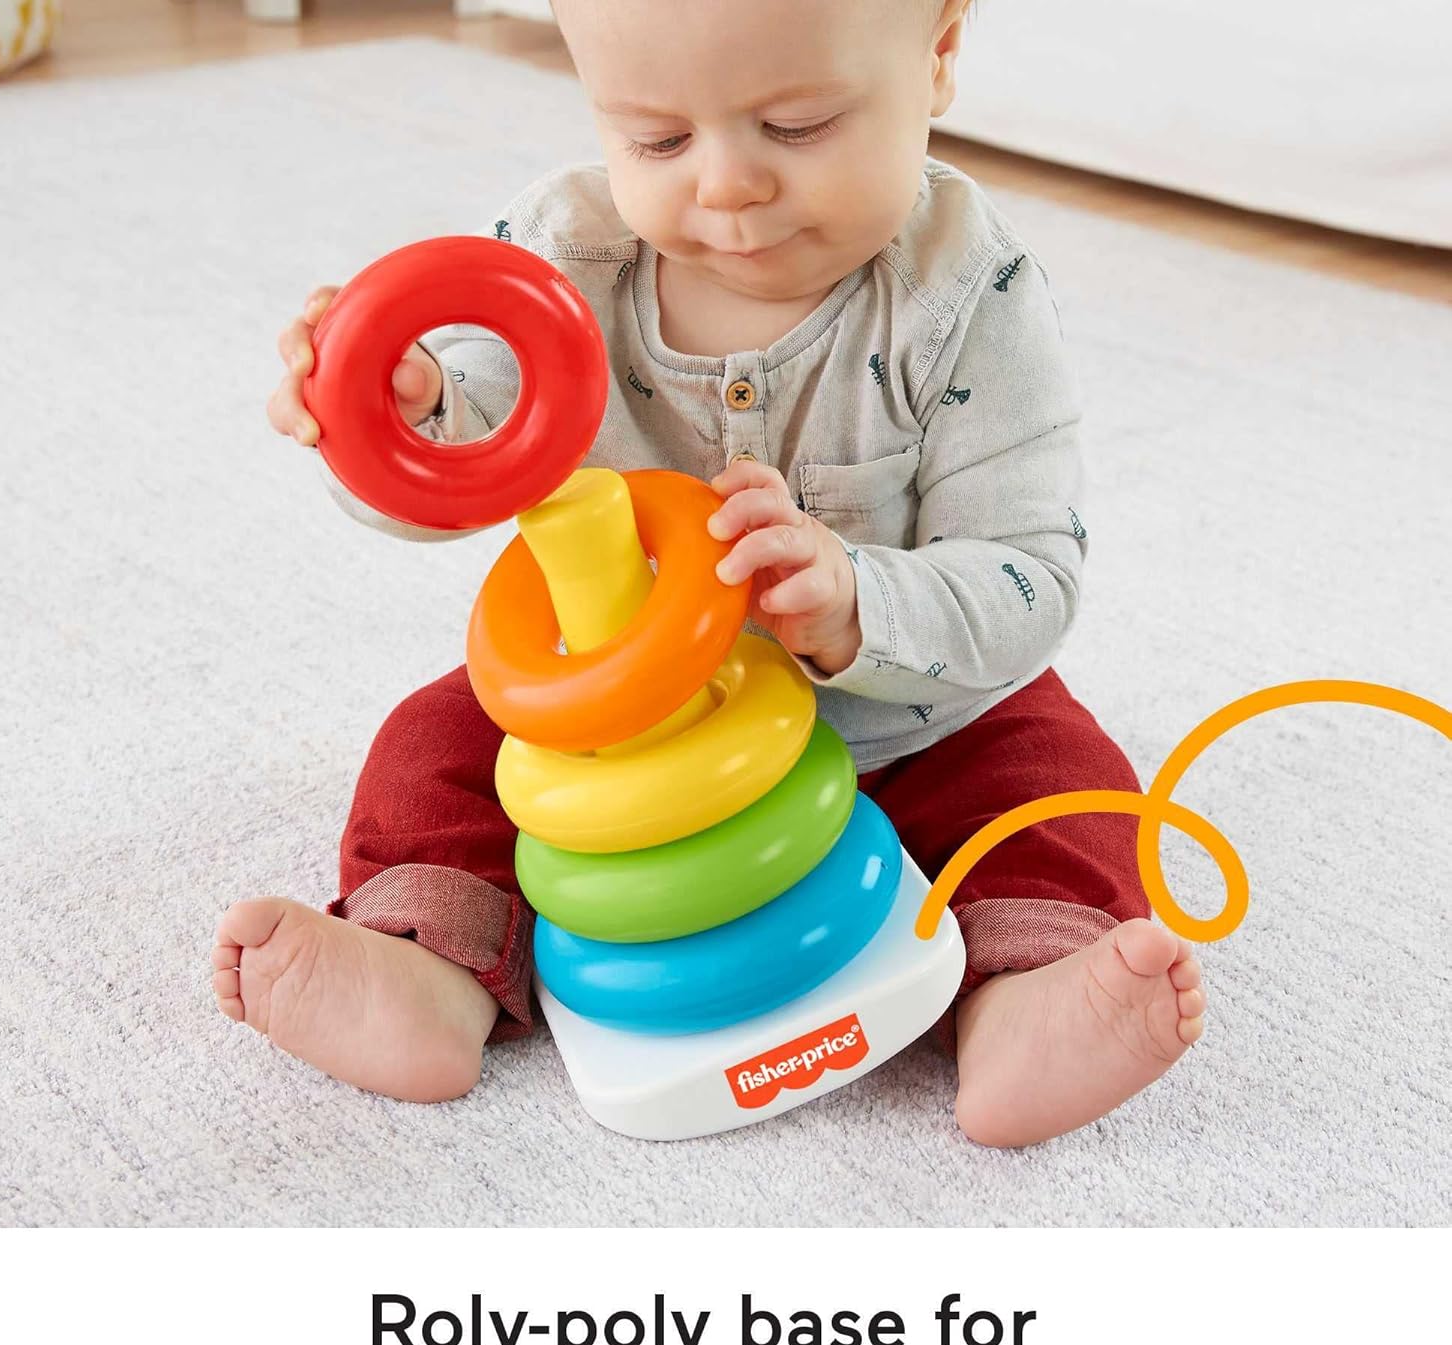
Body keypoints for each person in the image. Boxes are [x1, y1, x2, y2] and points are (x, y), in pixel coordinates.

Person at [213, 0, 1206, 1147]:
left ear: (936, 55)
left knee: (1064, 778)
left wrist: (853, 603)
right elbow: (457, 466)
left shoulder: (966, 297)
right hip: (622, 751)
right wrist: (403, 415)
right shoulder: (560, 259)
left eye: (797, 124)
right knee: (434, 748)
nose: (726, 185)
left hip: (912, 719)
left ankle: (1030, 996)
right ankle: (421, 967)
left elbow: (1030, 572)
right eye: (657, 140)